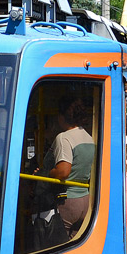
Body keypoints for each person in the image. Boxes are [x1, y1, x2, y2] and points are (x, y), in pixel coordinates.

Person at [38, 95, 95, 233]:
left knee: (58, 243)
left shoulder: (64, 137)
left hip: (67, 200)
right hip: (85, 200)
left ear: (61, 116)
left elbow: (63, 172)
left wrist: (45, 173)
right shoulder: (88, 137)